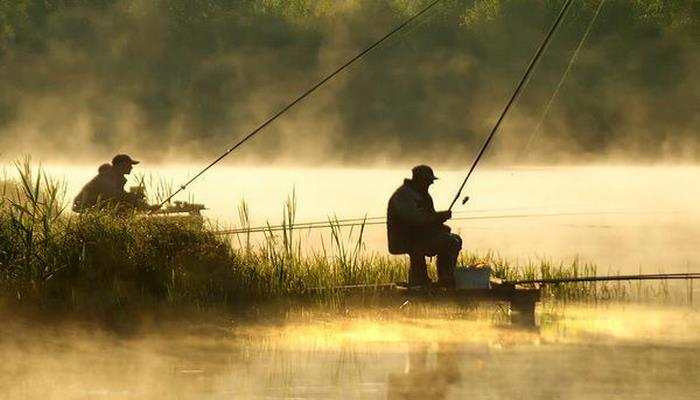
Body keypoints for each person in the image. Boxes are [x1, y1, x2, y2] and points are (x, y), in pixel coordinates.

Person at [387, 165, 462, 288]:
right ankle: (442, 280)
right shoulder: (404, 196)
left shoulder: (421, 194)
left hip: (419, 236)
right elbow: (415, 220)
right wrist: (438, 217)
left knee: (455, 239)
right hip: (406, 239)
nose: (430, 184)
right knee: (449, 242)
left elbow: (427, 220)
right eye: (428, 181)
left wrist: (441, 225)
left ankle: (443, 279)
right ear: (419, 180)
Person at [73, 154, 154, 213]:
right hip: (83, 205)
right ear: (122, 165)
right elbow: (112, 195)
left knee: (126, 201)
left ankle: (147, 210)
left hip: (93, 204)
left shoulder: (116, 177)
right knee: (124, 202)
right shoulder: (108, 176)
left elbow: (118, 194)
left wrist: (139, 201)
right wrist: (133, 196)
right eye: (129, 164)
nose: (131, 167)